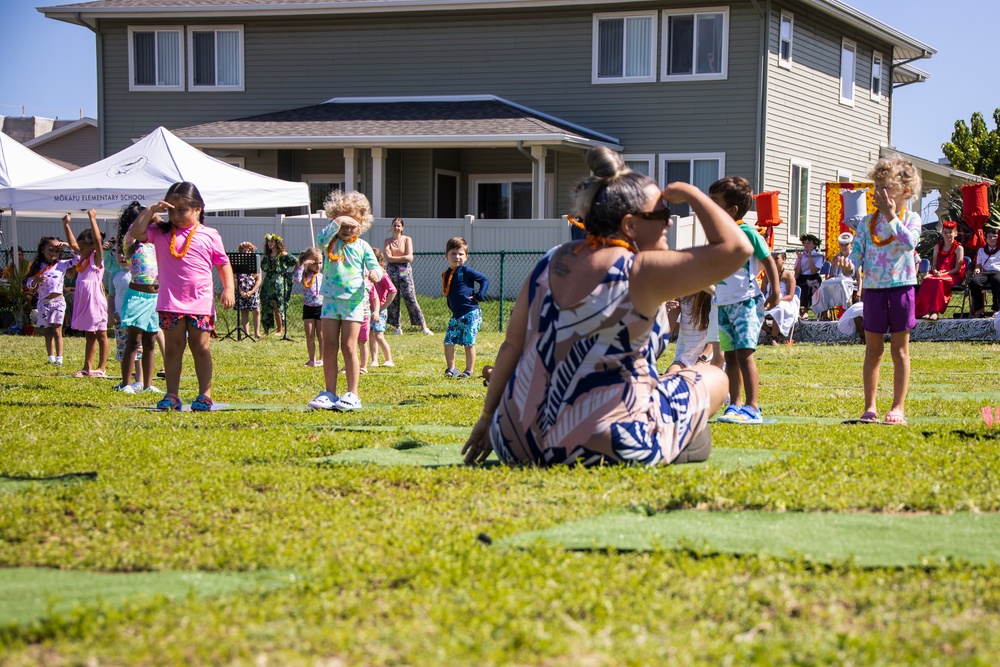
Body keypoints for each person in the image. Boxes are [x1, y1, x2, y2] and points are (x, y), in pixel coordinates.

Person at [462, 147, 752, 467]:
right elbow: (737, 248)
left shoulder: (551, 260)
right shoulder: (642, 269)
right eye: (661, 214)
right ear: (630, 225)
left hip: (514, 442)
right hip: (599, 444)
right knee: (713, 377)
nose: (669, 222)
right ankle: (675, 439)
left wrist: (487, 418)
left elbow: (512, 346)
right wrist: (694, 194)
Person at [128, 181, 235, 411]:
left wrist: (229, 289)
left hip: (200, 302)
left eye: (182, 210)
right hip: (170, 302)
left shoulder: (210, 234)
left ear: (198, 209)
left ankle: (204, 395)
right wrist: (150, 211)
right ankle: (172, 394)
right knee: (174, 348)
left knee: (201, 347)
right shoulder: (159, 232)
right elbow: (135, 233)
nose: (175, 215)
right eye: (170, 209)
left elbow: (223, 263)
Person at [846, 155, 922, 425]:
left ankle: (898, 407)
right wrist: (849, 265)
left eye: (886, 188)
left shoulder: (911, 218)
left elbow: (909, 242)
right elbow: (857, 253)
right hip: (875, 291)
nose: (879, 193)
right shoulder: (867, 223)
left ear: (906, 191)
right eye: (876, 187)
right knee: (873, 350)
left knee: (899, 350)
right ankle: (870, 406)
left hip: (901, 289)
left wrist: (891, 216)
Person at [712, 177, 780, 425]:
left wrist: (774, 291)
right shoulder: (718, 234)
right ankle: (735, 403)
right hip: (724, 304)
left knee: (744, 354)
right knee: (729, 355)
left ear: (732, 210)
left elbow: (768, 260)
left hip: (747, 302)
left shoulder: (748, 232)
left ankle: (753, 407)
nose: (710, 206)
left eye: (715, 202)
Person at [307, 190, 382, 411]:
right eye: (344, 224)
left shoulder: (362, 246)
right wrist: (336, 222)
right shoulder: (329, 242)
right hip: (330, 300)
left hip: (354, 302)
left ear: (362, 223)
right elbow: (319, 241)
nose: (348, 229)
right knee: (329, 346)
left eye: (353, 224)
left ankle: (352, 394)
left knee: (349, 346)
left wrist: (375, 273)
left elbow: (375, 265)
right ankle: (329, 393)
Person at [115, 201, 163, 394]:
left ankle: (147, 384)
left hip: (154, 298)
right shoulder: (130, 243)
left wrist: (156, 216)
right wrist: (149, 210)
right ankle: (126, 383)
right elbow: (134, 230)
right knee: (134, 342)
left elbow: (164, 229)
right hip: (137, 297)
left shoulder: (154, 243)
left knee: (150, 342)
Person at [64, 210, 110, 378]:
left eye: (83, 248)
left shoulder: (96, 259)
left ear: (91, 247)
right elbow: (72, 245)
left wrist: (93, 219)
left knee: (101, 334)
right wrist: (66, 225)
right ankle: (87, 367)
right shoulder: (83, 259)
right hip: (84, 299)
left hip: (95, 300)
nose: (79, 250)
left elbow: (98, 240)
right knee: (89, 334)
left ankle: (101, 367)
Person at [442, 237, 489, 379]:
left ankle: (469, 370)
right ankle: (451, 368)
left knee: (468, 342)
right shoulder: (446, 274)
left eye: (461, 254)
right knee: (448, 341)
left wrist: (479, 294)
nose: (457, 257)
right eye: (453, 253)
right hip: (456, 315)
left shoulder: (466, 271)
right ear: (447, 256)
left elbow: (484, 279)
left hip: (470, 313)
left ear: (466, 256)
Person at [25, 236, 73, 365]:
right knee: (47, 331)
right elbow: (28, 283)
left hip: (58, 302)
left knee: (57, 330)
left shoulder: (62, 264)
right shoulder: (38, 267)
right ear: (42, 250)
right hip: (43, 303)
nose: (53, 253)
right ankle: (50, 357)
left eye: (57, 251)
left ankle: (59, 358)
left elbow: (78, 258)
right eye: (50, 250)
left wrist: (68, 246)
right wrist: (35, 281)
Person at [383, 217, 433, 335]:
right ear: (391, 227)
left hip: (404, 269)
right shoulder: (387, 241)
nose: (396, 228)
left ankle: (423, 326)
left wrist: (395, 258)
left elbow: (409, 257)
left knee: (410, 296)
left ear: (402, 228)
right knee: (393, 297)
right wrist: (401, 257)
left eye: (398, 226)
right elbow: (388, 258)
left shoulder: (407, 239)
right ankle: (397, 327)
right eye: (394, 225)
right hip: (392, 270)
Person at [914, 220, 965, 321]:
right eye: (945, 232)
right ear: (942, 233)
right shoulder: (938, 246)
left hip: (952, 275)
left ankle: (935, 311)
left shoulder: (959, 248)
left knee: (938, 281)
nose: (948, 234)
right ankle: (926, 311)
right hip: (938, 273)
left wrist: (943, 273)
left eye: (950, 232)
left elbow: (957, 269)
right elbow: (934, 264)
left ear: (955, 233)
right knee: (928, 280)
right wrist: (936, 271)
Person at [665, 289, 714, 372]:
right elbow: (666, 333)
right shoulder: (681, 295)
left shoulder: (715, 297)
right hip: (684, 359)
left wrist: (702, 360)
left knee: (696, 380)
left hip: (709, 358)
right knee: (669, 377)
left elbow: (716, 336)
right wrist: (664, 313)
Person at [811, 232, 857, 320]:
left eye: (846, 245)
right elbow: (832, 274)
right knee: (824, 285)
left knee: (842, 283)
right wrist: (828, 280)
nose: (843, 247)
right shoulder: (836, 258)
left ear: (851, 245)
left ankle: (846, 311)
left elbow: (858, 275)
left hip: (850, 282)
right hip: (837, 280)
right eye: (841, 245)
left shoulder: (854, 257)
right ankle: (825, 314)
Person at [761, 249, 800, 344]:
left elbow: (790, 296)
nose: (774, 261)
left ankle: (774, 337)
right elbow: (763, 292)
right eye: (772, 259)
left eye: (776, 259)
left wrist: (777, 300)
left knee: (779, 308)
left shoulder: (788, 276)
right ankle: (770, 332)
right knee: (754, 309)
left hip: (784, 301)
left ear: (784, 259)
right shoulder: (767, 276)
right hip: (768, 301)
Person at [293, 247, 325, 367]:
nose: (318, 266)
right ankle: (312, 359)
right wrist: (303, 265)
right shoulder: (305, 276)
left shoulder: (322, 276)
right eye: (315, 263)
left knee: (321, 335)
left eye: (320, 263)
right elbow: (295, 279)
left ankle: (322, 359)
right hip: (308, 308)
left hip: (320, 307)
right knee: (310, 335)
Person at [260, 233, 295, 336]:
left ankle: (280, 330)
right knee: (266, 306)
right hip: (268, 283)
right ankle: (266, 330)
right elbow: (263, 267)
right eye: (268, 241)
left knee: (277, 306)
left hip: (279, 284)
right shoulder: (267, 256)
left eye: (272, 241)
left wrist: (292, 273)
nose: (270, 243)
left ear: (277, 242)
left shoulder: (283, 255)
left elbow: (296, 261)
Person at [368, 249, 397, 368]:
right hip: (368, 309)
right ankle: (374, 359)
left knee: (379, 335)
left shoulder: (382, 275)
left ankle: (388, 359)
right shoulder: (368, 275)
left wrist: (383, 307)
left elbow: (393, 291)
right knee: (370, 335)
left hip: (379, 311)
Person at [970, 222, 1000, 318]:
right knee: (974, 282)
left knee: (997, 281)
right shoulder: (981, 250)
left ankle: (996, 309)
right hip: (985, 272)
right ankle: (979, 309)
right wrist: (977, 270)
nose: (992, 239)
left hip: (997, 271)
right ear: (986, 239)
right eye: (990, 237)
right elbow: (978, 264)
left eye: (995, 236)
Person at [234, 241, 262, 337]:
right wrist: (241, 292)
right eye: (244, 251)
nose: (246, 253)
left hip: (252, 290)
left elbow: (259, 280)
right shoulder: (238, 264)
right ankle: (246, 333)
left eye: (248, 251)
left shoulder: (256, 263)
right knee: (244, 311)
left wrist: (251, 292)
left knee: (256, 310)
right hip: (241, 290)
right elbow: (235, 279)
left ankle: (257, 333)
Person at [794, 233, 824, 319]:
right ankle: (797, 309)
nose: (807, 245)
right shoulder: (801, 255)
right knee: (793, 285)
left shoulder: (819, 256)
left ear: (814, 245)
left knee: (807, 285)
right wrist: (799, 259)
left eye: (809, 243)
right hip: (801, 277)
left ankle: (806, 310)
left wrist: (810, 258)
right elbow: (797, 272)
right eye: (805, 243)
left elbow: (814, 271)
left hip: (813, 278)